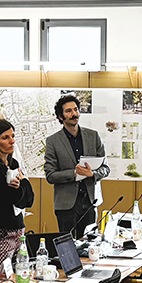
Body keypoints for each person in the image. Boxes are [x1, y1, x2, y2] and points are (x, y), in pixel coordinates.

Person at [44, 94, 109, 238]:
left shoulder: (93, 136)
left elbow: (105, 168)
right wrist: (74, 173)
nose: (74, 114)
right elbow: (50, 175)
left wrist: (93, 174)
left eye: (75, 109)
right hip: (66, 204)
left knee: (89, 244)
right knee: (66, 245)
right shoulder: (53, 141)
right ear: (61, 117)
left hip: (90, 202)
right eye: (68, 111)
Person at [0, 118, 35, 273]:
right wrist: (22, 186)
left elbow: (29, 200)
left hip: (18, 229)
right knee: (3, 276)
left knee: (22, 273)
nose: (12, 141)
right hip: (0, 231)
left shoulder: (13, 163)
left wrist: (23, 184)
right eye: (5, 138)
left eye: (12, 136)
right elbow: (11, 197)